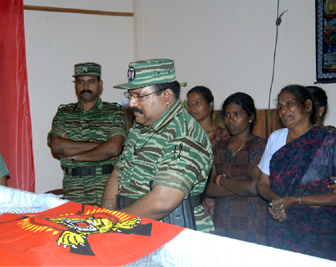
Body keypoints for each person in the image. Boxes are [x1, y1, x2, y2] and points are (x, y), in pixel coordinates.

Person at [101, 59, 213, 231]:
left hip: (172, 232)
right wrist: (107, 215)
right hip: (130, 224)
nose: (132, 103)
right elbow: (118, 174)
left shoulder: (184, 133)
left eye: (139, 96)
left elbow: (163, 201)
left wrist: (113, 223)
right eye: (130, 95)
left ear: (167, 95)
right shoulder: (141, 126)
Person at [256, 85, 336, 261]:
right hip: (281, 226)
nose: (283, 111)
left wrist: (294, 201)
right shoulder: (276, 138)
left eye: (289, 104)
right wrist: (278, 202)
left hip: (318, 233)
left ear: (307, 106)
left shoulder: (328, 143)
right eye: (280, 107)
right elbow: (262, 183)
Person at [48, 62, 126, 207]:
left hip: (106, 184)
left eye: (91, 82)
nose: (85, 87)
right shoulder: (64, 113)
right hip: (73, 188)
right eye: (80, 82)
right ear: (75, 85)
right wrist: (101, 147)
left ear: (100, 84)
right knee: (73, 227)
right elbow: (57, 146)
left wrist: (73, 156)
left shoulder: (114, 111)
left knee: (107, 227)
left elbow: (113, 149)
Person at [205, 92, 267, 245]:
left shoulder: (260, 145)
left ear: (250, 116)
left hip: (252, 220)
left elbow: (253, 187)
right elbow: (208, 189)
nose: (230, 120)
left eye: (236, 114)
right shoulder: (219, 146)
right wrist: (242, 186)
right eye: (227, 114)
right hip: (222, 220)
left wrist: (220, 179)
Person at [186, 86, 230, 232]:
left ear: (210, 105)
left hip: (215, 197)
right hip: (188, 196)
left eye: (198, 102)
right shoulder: (184, 136)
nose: (192, 108)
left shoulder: (224, 136)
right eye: (189, 104)